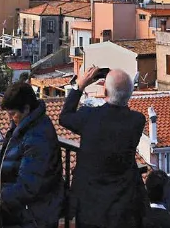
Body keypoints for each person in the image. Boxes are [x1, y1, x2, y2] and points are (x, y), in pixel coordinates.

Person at [58, 65, 146, 228]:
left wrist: (79, 86)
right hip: (122, 205)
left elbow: (65, 117)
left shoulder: (88, 116)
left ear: (105, 91)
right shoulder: (137, 121)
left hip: (89, 205)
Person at [0, 80, 63, 228]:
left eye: (12, 114)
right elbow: (4, 155)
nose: (9, 118)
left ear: (26, 109)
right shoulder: (23, 125)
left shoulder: (39, 138)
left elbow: (28, 187)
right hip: (22, 211)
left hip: (34, 216)